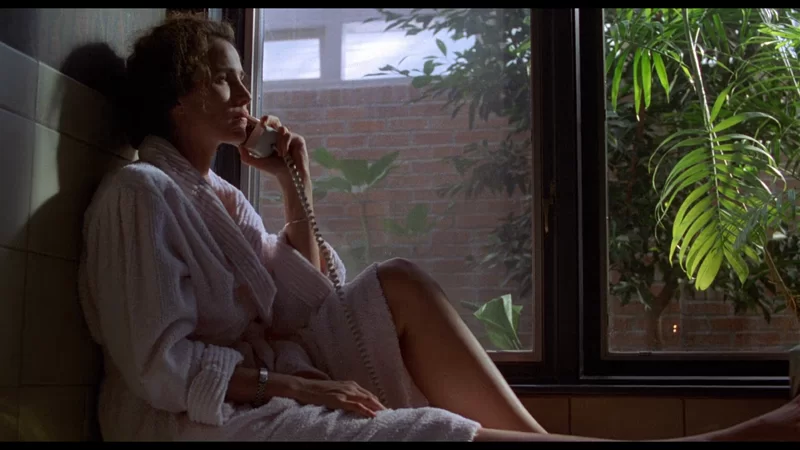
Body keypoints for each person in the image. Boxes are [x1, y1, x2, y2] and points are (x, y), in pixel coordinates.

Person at [77, 13, 800, 442]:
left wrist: (296, 185)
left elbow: (311, 303)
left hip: (266, 373)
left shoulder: (224, 200)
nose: (244, 92)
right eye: (222, 80)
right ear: (176, 99)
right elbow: (159, 369)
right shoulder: (140, 194)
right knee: (422, 433)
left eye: (242, 77)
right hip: (188, 420)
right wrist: (296, 389)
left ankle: (540, 444)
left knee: (397, 282)